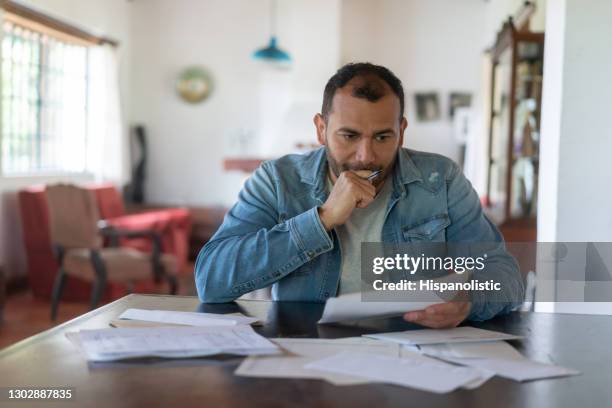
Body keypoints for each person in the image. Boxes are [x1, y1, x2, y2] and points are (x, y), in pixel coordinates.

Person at [195, 62, 524, 328]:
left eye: (383, 137)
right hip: (308, 351)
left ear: (402, 131)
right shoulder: (277, 180)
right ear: (321, 129)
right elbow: (211, 280)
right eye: (349, 135)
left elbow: (504, 276)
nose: (366, 155)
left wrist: (469, 302)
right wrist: (322, 220)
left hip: (412, 354)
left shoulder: (441, 179)